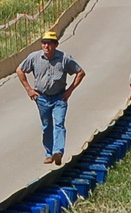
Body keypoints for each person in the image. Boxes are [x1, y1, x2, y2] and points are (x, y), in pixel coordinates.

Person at [16, 30, 84, 166]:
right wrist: (29, 90)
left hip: (59, 98)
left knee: (59, 123)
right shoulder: (34, 58)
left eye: (50, 44)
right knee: (47, 126)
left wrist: (70, 91)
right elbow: (20, 70)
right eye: (44, 43)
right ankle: (48, 154)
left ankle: (58, 151)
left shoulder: (64, 58)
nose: (46, 46)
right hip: (42, 98)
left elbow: (80, 72)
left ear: (56, 45)